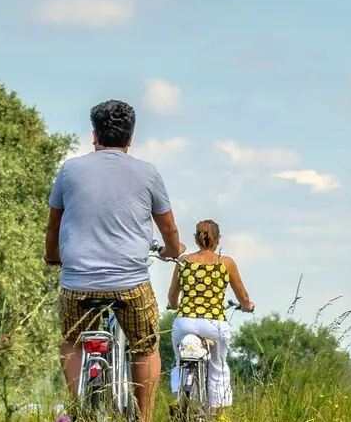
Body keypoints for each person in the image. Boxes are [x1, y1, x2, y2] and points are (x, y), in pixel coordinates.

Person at [44, 99, 185, 422]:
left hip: (77, 283)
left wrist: (53, 256)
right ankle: (144, 417)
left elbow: (54, 224)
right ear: (130, 138)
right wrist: (172, 251)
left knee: (71, 341)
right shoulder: (148, 173)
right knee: (145, 346)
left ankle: (78, 410)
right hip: (130, 285)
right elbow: (169, 228)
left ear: (94, 135)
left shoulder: (70, 170)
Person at [165, 219, 254, 417]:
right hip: (214, 324)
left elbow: (172, 296)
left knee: (180, 363)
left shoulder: (184, 261)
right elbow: (243, 296)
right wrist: (247, 306)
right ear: (218, 239)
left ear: (196, 239)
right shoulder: (226, 263)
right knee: (218, 368)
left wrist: (174, 306)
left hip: (184, 322)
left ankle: (177, 400)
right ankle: (218, 415)